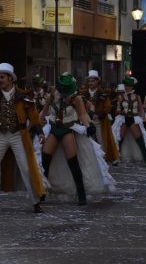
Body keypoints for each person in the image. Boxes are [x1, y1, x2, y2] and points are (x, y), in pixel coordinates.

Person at [0, 63, 46, 213]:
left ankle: (36, 201)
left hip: (18, 135)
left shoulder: (23, 97)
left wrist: (39, 131)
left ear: (10, 78)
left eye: (2, 77)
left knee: (27, 167)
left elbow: (33, 117)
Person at [40, 73, 115, 205]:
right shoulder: (51, 96)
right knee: (45, 159)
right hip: (54, 129)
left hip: (68, 130)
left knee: (73, 162)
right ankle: (42, 191)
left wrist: (89, 125)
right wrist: (34, 125)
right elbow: (43, 113)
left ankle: (81, 193)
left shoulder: (76, 99)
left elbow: (82, 114)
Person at [111, 77, 146, 167]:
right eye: (125, 85)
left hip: (133, 119)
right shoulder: (121, 97)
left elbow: (141, 109)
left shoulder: (137, 97)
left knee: (140, 140)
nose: (126, 87)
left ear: (132, 87)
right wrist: (120, 110)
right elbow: (118, 108)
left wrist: (143, 119)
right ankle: (116, 158)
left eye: (128, 86)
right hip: (124, 119)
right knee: (119, 139)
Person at [81, 70, 120, 164]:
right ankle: (93, 160)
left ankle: (103, 159)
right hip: (87, 121)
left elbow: (107, 108)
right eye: (89, 81)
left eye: (93, 81)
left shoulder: (103, 93)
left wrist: (98, 115)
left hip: (99, 121)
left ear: (97, 81)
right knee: (90, 140)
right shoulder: (84, 94)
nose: (90, 83)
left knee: (101, 140)